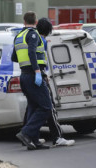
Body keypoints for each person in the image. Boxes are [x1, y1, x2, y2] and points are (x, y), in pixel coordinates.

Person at [12, 11, 52, 150]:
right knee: (46, 107)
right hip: (33, 74)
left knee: (34, 107)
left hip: (24, 75)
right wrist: (37, 72)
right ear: (35, 22)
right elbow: (31, 52)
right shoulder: (33, 34)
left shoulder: (18, 36)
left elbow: (14, 57)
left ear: (24, 21)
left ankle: (33, 140)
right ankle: (26, 132)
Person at [34, 17, 75, 146]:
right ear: (48, 30)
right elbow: (42, 60)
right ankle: (57, 137)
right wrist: (43, 75)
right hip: (40, 76)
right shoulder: (43, 41)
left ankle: (30, 136)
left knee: (32, 108)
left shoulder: (32, 39)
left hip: (32, 76)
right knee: (50, 107)